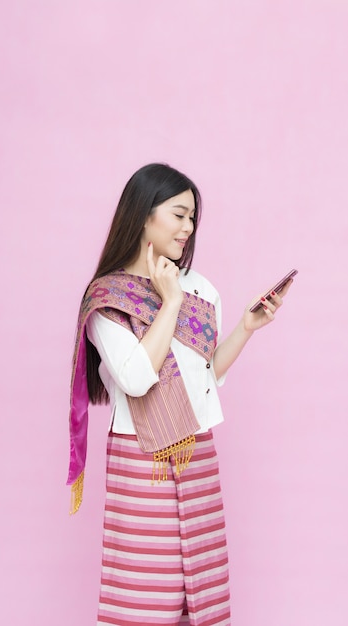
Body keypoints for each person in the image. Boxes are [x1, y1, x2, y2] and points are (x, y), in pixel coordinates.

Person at [66, 163, 293, 625]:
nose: (188, 228)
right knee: (149, 589)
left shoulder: (201, 289)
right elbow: (135, 378)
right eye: (179, 214)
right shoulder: (107, 297)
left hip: (196, 451)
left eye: (193, 218)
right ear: (144, 215)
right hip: (141, 457)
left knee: (201, 585)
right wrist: (168, 301)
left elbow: (207, 374)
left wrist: (246, 328)